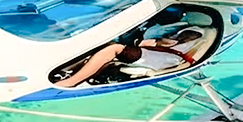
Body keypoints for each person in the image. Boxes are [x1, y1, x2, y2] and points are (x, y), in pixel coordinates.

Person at [53, 27, 206, 89]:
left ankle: (71, 82)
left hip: (160, 59)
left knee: (114, 49)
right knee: (109, 44)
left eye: (190, 34)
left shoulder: (192, 43)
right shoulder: (177, 39)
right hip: (153, 54)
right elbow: (152, 42)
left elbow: (168, 47)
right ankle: (67, 70)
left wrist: (163, 41)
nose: (186, 36)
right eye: (185, 33)